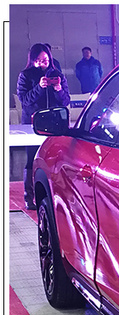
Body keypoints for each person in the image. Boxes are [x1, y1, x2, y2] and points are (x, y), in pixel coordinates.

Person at [16, 43, 70, 210]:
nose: (42, 63)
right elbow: (24, 100)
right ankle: (29, 196)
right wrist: (39, 87)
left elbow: (65, 100)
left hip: (54, 123)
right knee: (31, 159)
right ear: (33, 60)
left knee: (55, 159)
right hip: (33, 123)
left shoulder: (57, 74)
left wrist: (58, 89)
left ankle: (56, 195)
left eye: (45, 59)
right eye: (39, 60)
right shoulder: (25, 75)